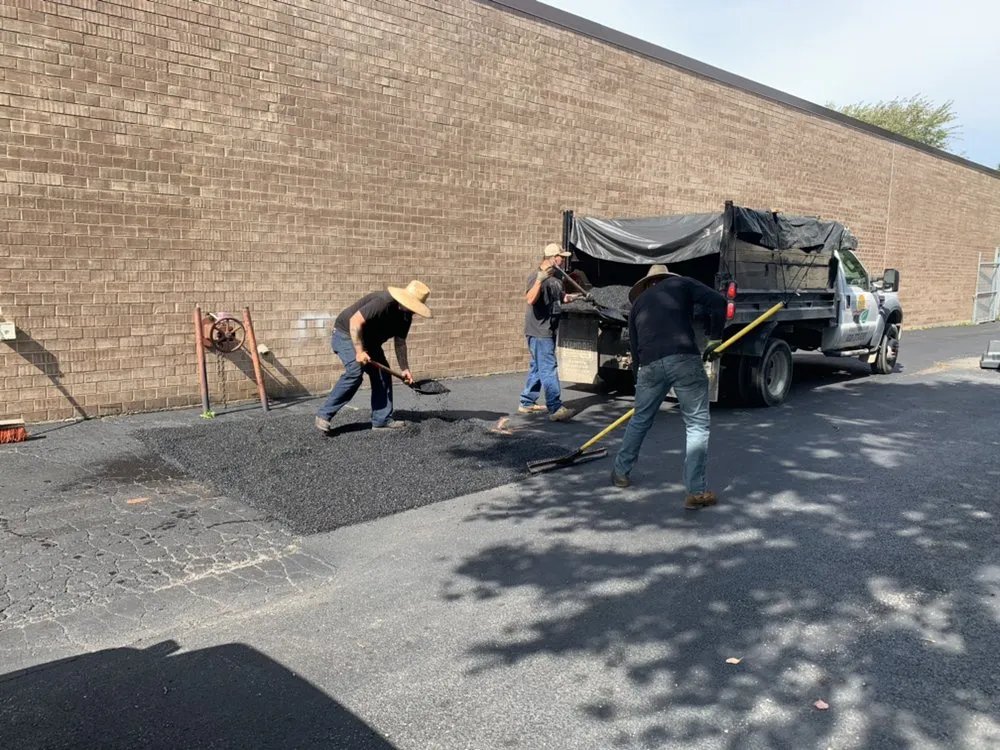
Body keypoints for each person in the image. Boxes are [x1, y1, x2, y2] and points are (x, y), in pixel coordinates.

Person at [610, 264, 726, 509]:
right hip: (683, 358)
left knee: (640, 418)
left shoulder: (637, 306)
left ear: (649, 283)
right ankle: (695, 491)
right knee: (696, 424)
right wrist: (715, 337)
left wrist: (638, 380)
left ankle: (620, 472)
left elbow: (634, 347)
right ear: (665, 278)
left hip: (649, 365)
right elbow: (717, 301)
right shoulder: (681, 283)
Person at [315, 280, 431, 433]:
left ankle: (381, 420)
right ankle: (324, 415)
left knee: (383, 374)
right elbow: (355, 321)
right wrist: (359, 351)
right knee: (355, 371)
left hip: (370, 341)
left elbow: (400, 342)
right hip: (346, 334)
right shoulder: (383, 301)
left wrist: (405, 369)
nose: (412, 310)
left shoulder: (406, 316)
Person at [518, 242, 580, 421]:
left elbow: (563, 299)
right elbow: (530, 299)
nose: (563, 261)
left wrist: (580, 296)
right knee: (548, 368)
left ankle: (527, 402)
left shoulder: (557, 279)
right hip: (538, 331)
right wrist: (539, 279)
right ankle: (555, 408)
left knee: (538, 366)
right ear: (553, 258)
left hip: (550, 328)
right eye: (562, 258)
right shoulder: (536, 277)